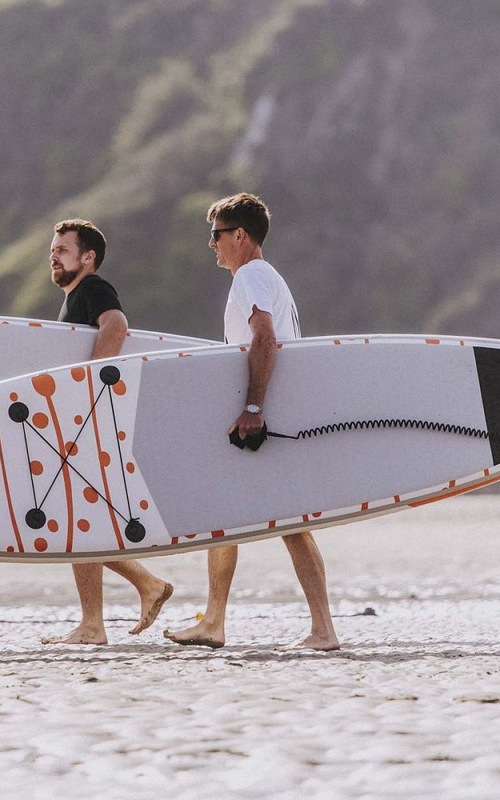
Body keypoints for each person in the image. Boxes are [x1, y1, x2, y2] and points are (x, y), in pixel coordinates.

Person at [162, 193, 340, 651]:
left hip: (265, 420)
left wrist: (254, 408)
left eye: (218, 235)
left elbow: (266, 339)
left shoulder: (252, 276)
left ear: (240, 235)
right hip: (275, 416)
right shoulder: (265, 277)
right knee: (232, 517)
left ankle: (322, 631)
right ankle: (215, 621)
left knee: (291, 526)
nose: (211, 244)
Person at [39, 218, 174, 645]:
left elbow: (116, 326)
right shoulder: (74, 296)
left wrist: (87, 387)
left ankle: (95, 623)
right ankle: (140, 589)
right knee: (82, 520)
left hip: (90, 415)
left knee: (78, 520)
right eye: (54, 249)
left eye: (63, 249)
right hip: (86, 416)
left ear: (87, 257)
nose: (54, 255)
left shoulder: (93, 288)